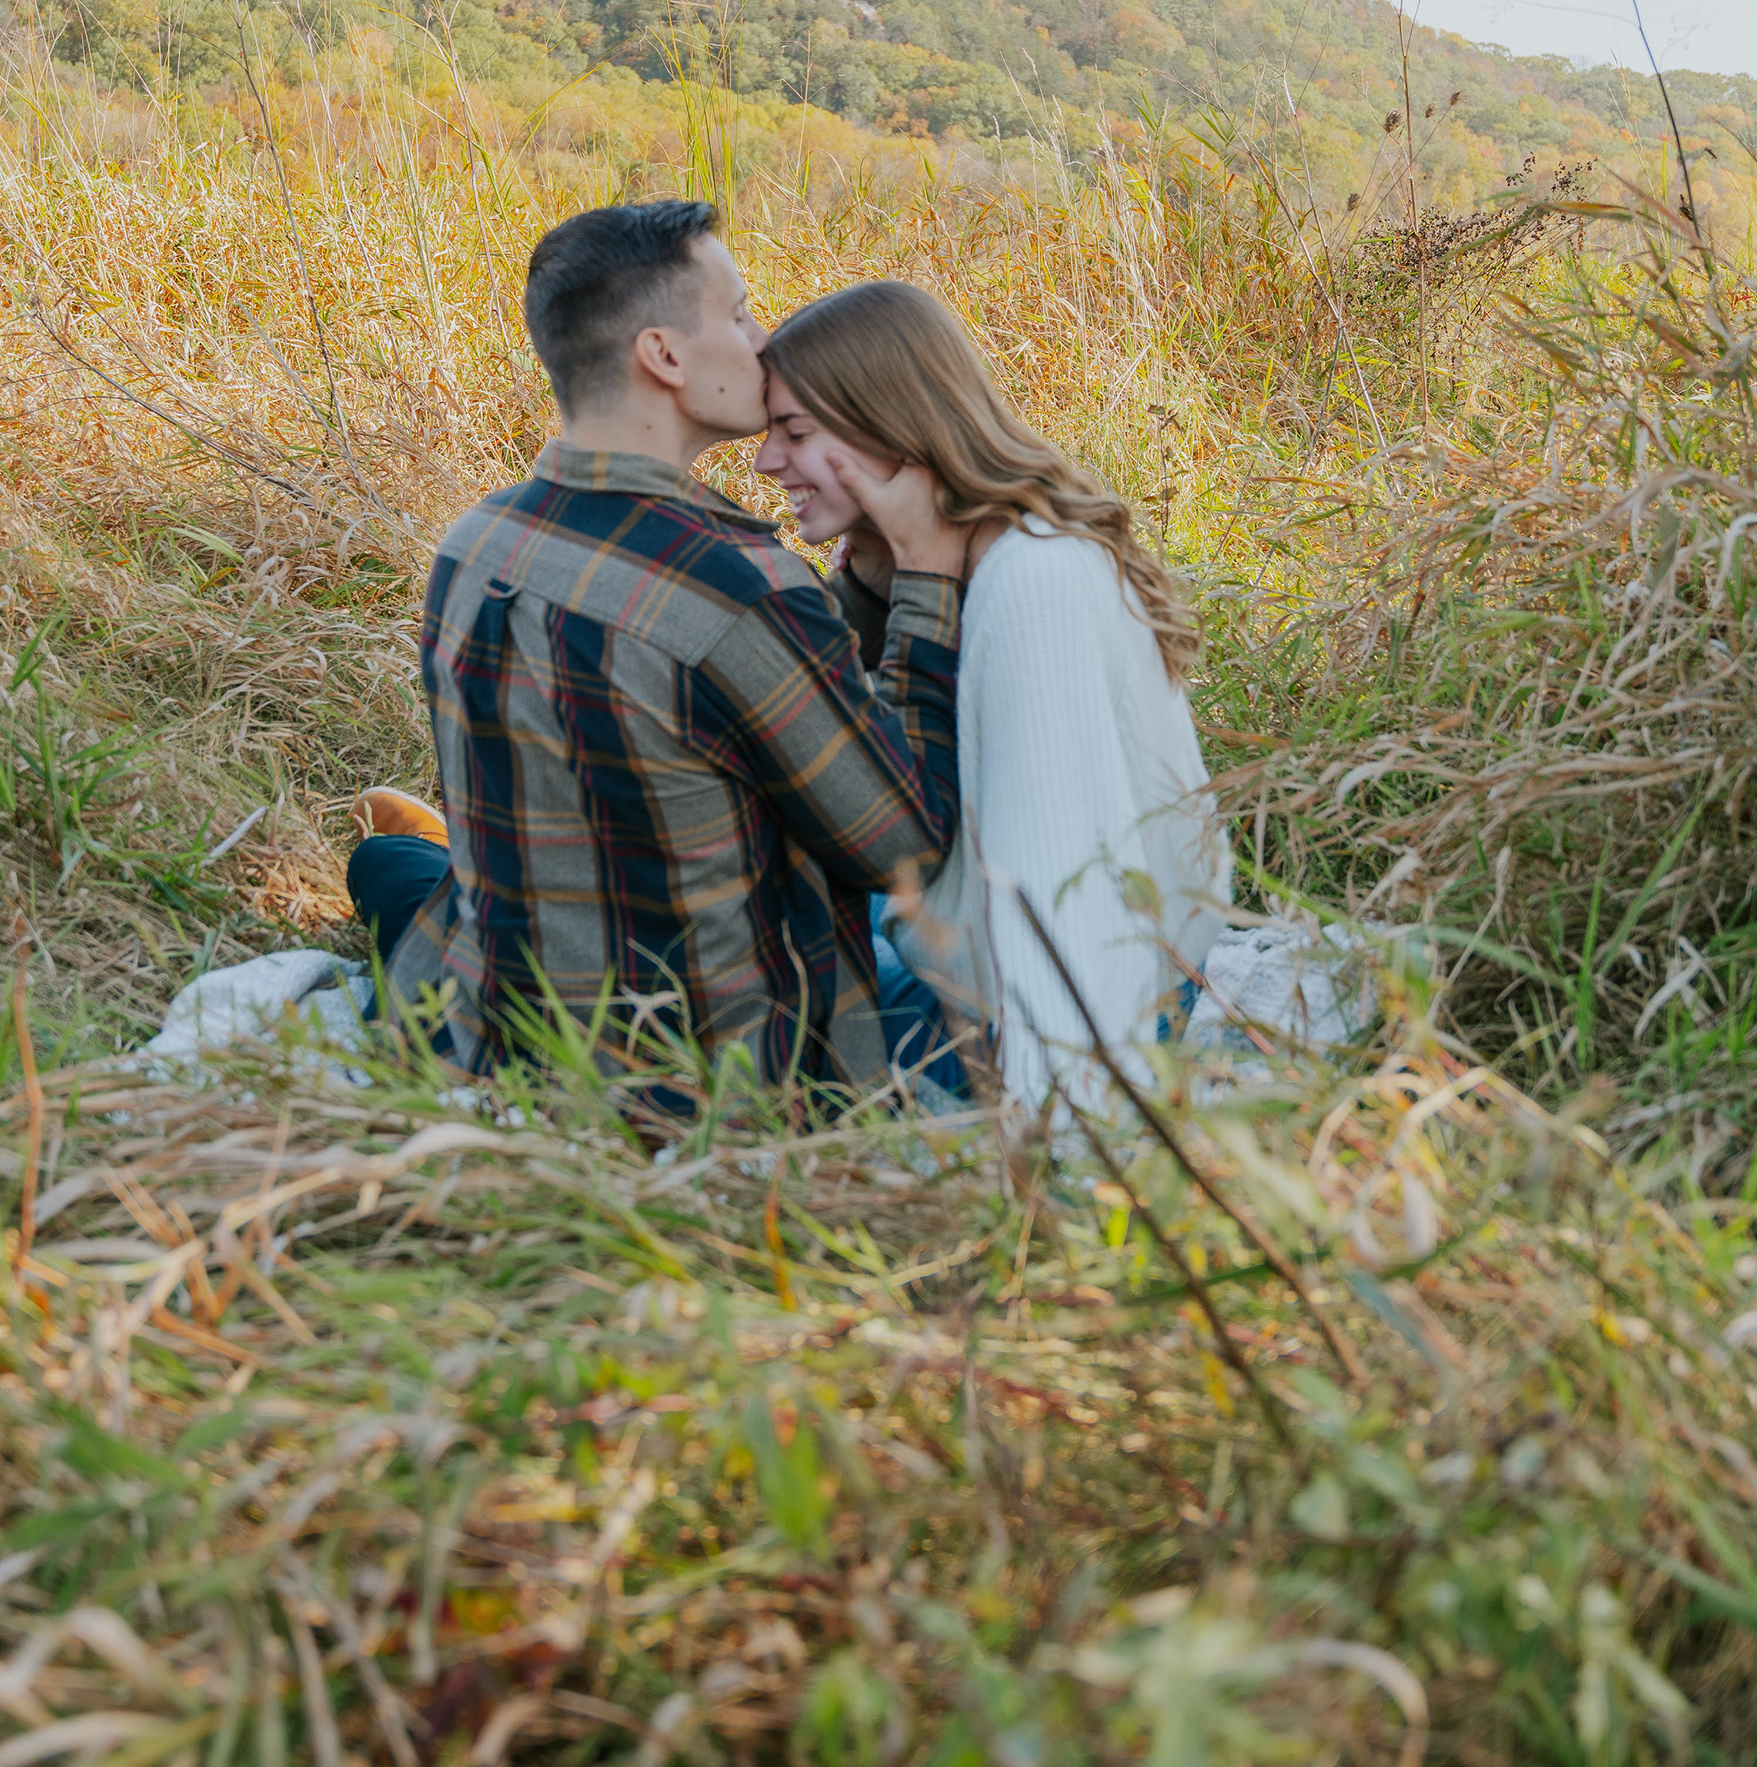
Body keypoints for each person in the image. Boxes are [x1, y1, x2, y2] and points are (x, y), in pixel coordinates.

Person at [351, 200, 968, 1102]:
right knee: (929, 967)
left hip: (496, 1030)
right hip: (712, 1089)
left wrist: (856, 589)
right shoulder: (738, 585)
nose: (761, 342)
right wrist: (925, 578)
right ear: (665, 356)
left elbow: (742, 672)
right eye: (740, 314)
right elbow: (904, 850)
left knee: (392, 872)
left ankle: (430, 861)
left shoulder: (474, 542)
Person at [755, 280, 1229, 1110]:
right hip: (998, 984)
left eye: (795, 433)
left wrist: (1062, 1133)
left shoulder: (1032, 582)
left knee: (742, 1025)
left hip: (1061, 1039)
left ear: (890, 427)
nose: (766, 461)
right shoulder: (968, 557)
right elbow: (886, 763)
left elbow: (1063, 906)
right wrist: (880, 581)